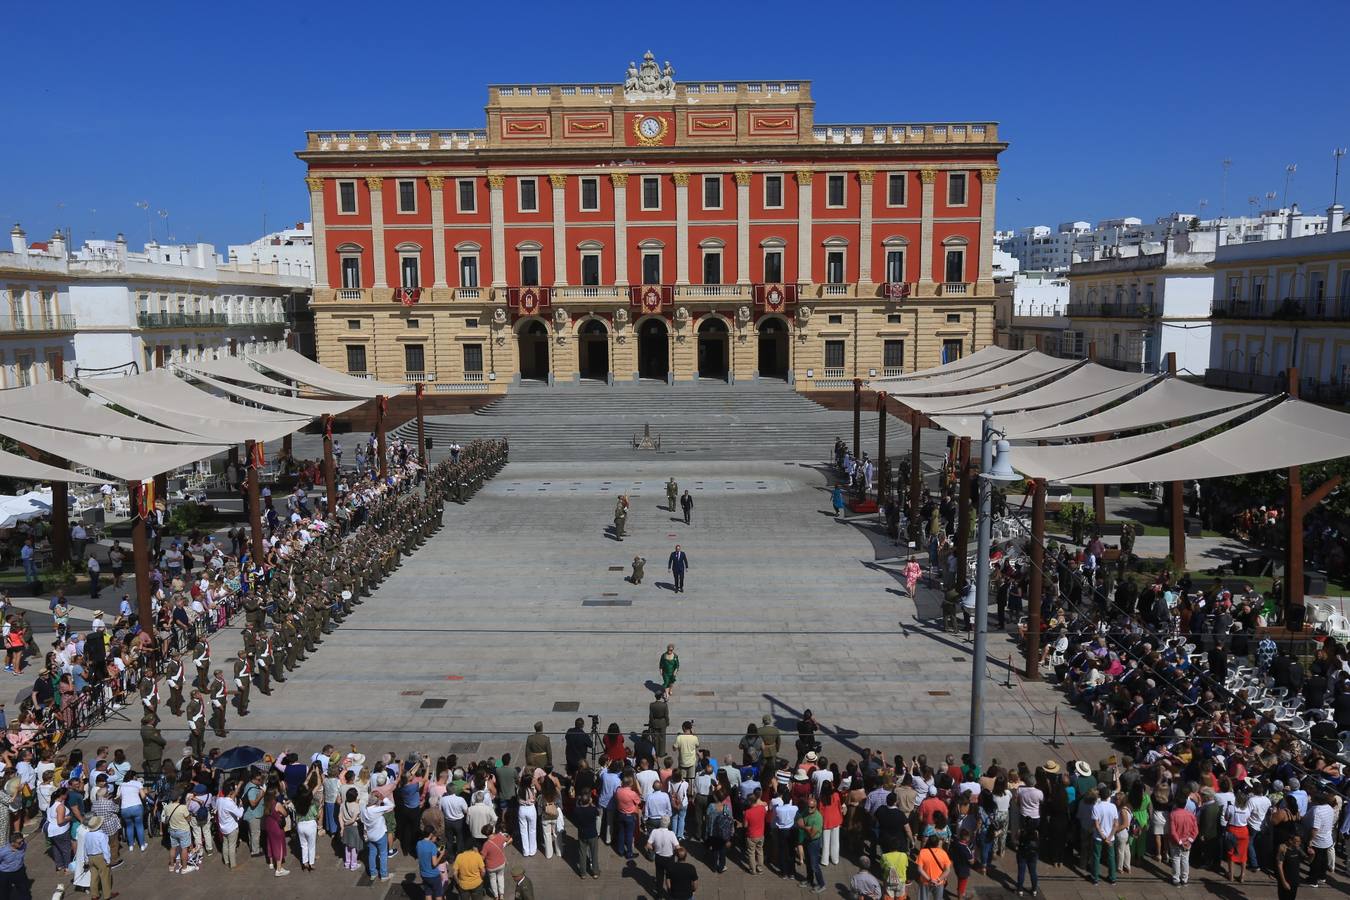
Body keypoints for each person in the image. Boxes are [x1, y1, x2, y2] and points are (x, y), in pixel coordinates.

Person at [914, 834, 951, 900]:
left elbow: (919, 869)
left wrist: (929, 879)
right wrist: (938, 879)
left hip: (925, 881)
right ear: (937, 843)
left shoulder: (922, 852)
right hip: (939, 883)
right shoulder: (943, 853)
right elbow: (947, 870)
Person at [416, 825, 446, 900]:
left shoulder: (418, 843)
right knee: (438, 894)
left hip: (423, 874)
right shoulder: (432, 846)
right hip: (433, 875)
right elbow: (434, 864)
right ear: (431, 834)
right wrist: (441, 855)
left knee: (428, 892)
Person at [1275, 831, 1301, 900]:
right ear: (1290, 841)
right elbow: (1279, 866)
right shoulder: (1283, 849)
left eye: (1299, 841)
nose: (1299, 843)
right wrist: (1284, 882)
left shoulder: (1298, 849)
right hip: (1286, 881)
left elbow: (1308, 860)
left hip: (1295, 881)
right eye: (1297, 841)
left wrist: (1313, 854)